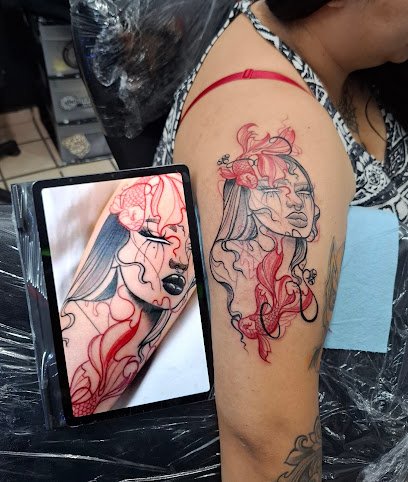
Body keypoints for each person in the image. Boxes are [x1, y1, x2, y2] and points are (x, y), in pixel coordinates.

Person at [152, 0, 408, 480]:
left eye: (299, 194)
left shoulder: (350, 59)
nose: (294, 203)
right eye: (279, 193)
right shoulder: (268, 113)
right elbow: (266, 446)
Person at [60, 173, 195, 417]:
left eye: (188, 247)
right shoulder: (165, 191)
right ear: (119, 238)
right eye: (158, 238)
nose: (181, 261)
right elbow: (64, 408)